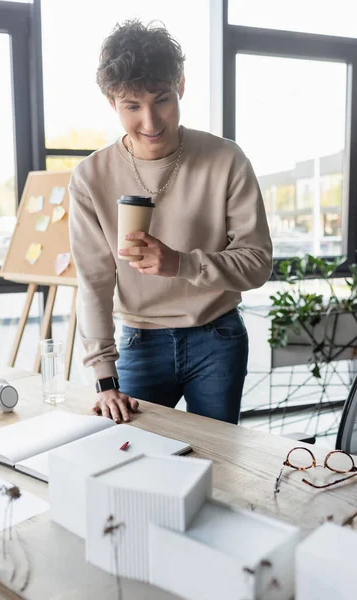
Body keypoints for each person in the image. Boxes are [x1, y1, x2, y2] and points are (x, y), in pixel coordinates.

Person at [68, 19, 272, 425]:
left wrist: (181, 263)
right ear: (113, 103)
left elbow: (258, 263)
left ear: (180, 86)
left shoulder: (226, 159)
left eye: (161, 99)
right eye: (132, 106)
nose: (151, 121)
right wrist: (103, 377)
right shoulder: (91, 177)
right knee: (131, 458)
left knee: (217, 464)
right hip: (139, 342)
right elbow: (93, 282)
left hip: (218, 338)